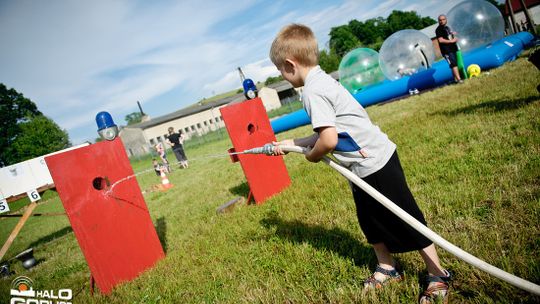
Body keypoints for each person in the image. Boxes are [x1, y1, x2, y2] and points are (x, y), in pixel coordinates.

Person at [269, 24, 452, 304]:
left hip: (376, 162)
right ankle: (387, 268)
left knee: (406, 218)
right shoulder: (322, 81)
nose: (282, 75)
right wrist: (290, 143)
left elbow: (327, 140)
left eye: (281, 70)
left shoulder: (312, 92)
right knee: (370, 221)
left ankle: (437, 273)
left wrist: (311, 155)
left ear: (290, 64)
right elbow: (324, 131)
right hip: (361, 168)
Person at [435, 14, 463, 84]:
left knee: (454, 64)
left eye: (443, 19)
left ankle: (455, 80)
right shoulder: (438, 30)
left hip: (453, 48)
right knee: (453, 64)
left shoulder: (447, 28)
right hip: (447, 50)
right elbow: (440, 40)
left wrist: (453, 35)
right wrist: (451, 41)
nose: (442, 21)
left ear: (446, 20)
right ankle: (459, 80)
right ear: (438, 21)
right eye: (440, 20)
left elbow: (449, 36)